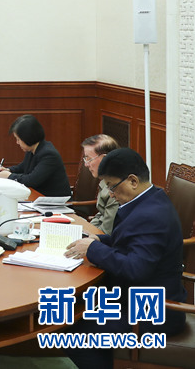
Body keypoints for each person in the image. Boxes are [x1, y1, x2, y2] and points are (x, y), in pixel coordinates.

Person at [64, 148, 186, 369]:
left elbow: (135, 268)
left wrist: (93, 249)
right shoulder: (149, 199)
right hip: (136, 299)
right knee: (74, 313)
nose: (110, 193)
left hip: (151, 313)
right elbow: (131, 242)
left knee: (77, 335)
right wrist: (100, 240)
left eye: (111, 186)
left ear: (132, 181)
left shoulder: (151, 215)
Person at [0, 114, 71, 197]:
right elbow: (23, 167)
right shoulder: (33, 149)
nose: (17, 142)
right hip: (38, 197)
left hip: (54, 201)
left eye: (18, 139)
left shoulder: (49, 155)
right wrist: (8, 170)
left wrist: (9, 176)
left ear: (27, 137)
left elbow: (31, 180)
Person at [80, 134, 120, 234]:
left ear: (104, 159)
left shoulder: (117, 187)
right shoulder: (104, 180)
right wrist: (85, 231)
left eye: (89, 159)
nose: (86, 164)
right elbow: (101, 214)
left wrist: (86, 235)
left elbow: (106, 232)